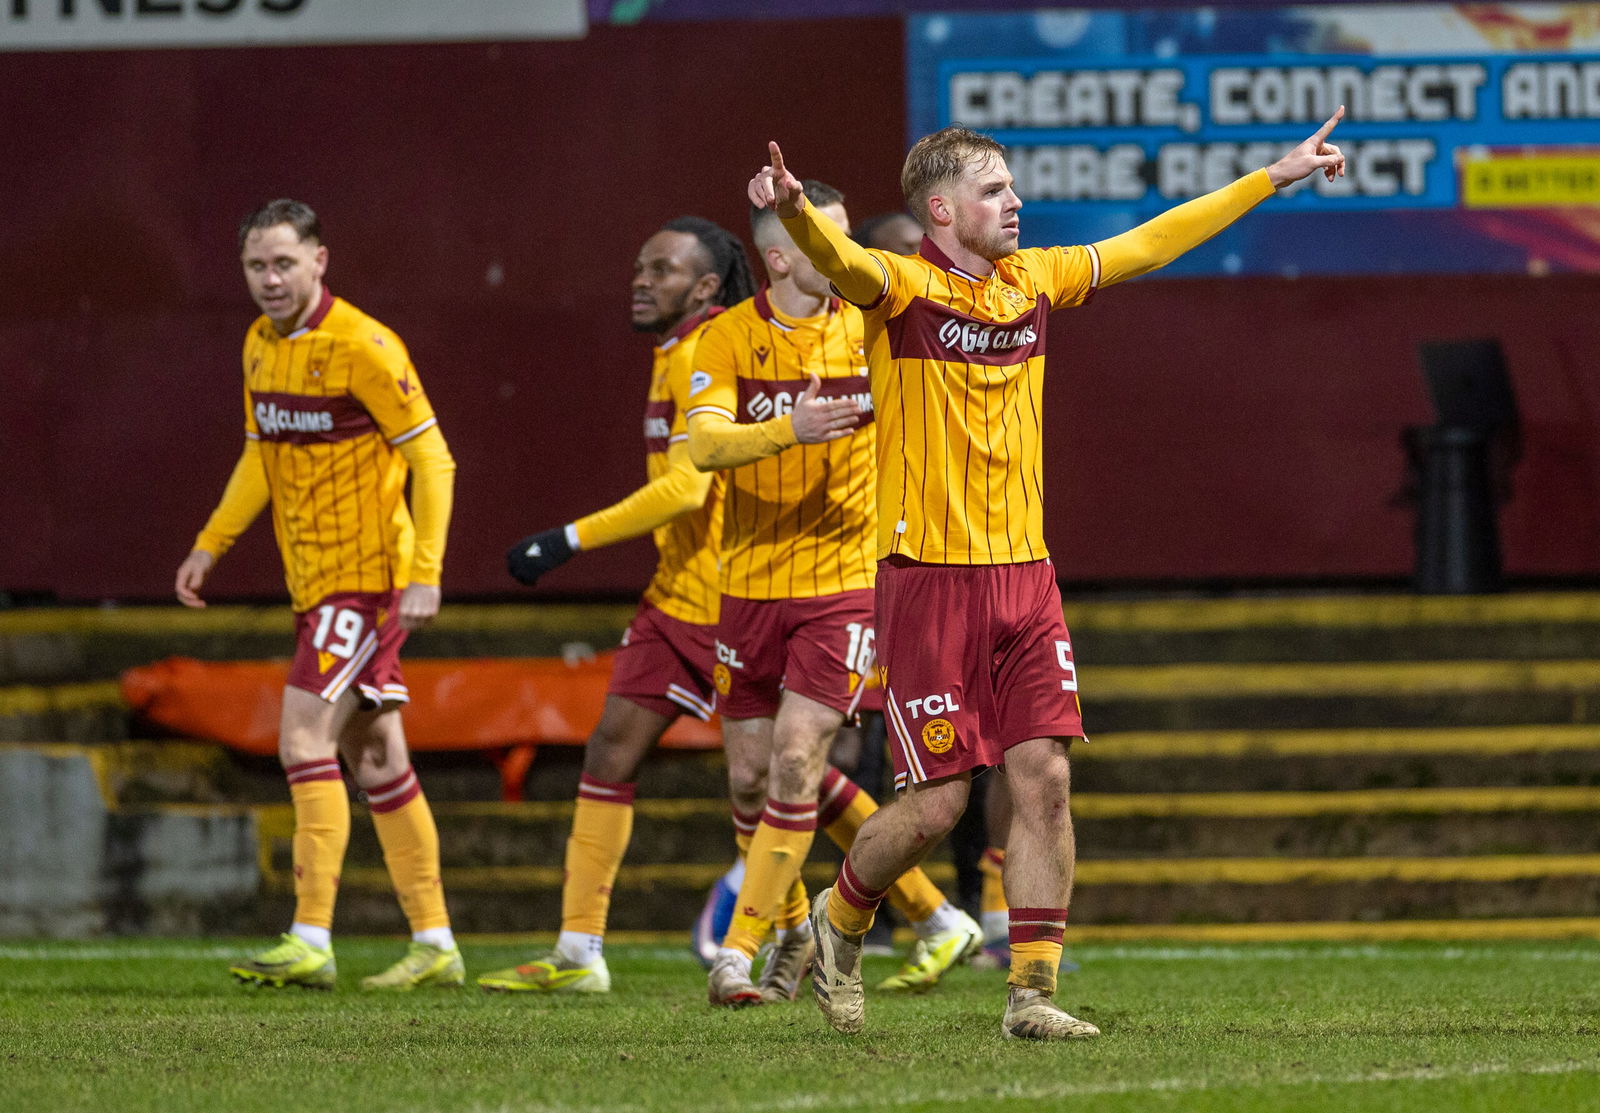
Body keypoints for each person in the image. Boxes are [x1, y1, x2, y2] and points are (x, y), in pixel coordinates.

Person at [750, 111, 1347, 1040]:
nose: (1016, 202)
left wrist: (1271, 176)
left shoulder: (1035, 280)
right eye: (995, 190)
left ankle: (1031, 993)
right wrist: (797, 216)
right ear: (941, 210)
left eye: (1013, 186)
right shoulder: (900, 290)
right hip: (926, 578)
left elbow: (1149, 244)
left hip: (1026, 577)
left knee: (1045, 779)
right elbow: (845, 267)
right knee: (938, 803)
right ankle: (840, 921)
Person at [687, 181, 980, 1009]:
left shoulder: (875, 323)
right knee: (754, 779)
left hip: (844, 584)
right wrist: (789, 428)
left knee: (793, 758)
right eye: (824, 237)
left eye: (844, 235)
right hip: (745, 585)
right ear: (782, 256)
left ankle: (742, 953)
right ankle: (917, 916)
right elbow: (704, 445)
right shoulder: (726, 339)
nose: (843, 252)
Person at [176, 199, 461, 990]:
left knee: (302, 737)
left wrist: (427, 572)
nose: (269, 281)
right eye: (255, 267)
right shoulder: (260, 345)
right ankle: (436, 942)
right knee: (376, 756)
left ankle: (309, 937)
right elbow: (258, 455)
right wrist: (211, 544)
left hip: (366, 583)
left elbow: (435, 461)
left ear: (319, 261)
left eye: (283, 264)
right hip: (314, 584)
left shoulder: (365, 347)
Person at [473, 216, 758, 994]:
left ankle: (932, 913)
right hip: (676, 597)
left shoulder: (708, 349)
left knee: (783, 778)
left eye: (660, 270)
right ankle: (577, 952)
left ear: (704, 286)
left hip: (726, 600)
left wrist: (566, 538)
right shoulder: (675, 349)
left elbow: (687, 485)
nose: (640, 279)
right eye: (639, 266)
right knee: (608, 752)